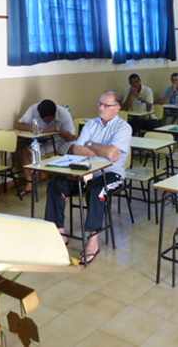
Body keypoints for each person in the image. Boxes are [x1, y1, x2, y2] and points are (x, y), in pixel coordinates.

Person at [44, 91, 132, 265]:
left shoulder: (123, 128)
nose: (101, 108)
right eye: (100, 104)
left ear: (117, 108)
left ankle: (93, 240)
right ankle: (59, 232)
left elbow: (112, 154)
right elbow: (76, 149)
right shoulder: (91, 124)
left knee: (96, 190)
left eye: (106, 105)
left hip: (112, 174)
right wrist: (100, 150)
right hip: (85, 172)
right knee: (55, 184)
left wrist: (90, 144)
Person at [16, 99, 76, 192]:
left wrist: (58, 130)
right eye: (43, 119)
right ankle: (29, 182)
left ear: (54, 114)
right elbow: (18, 125)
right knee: (23, 151)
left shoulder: (64, 114)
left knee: (73, 148)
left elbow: (71, 138)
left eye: (48, 120)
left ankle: (49, 175)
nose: (46, 122)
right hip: (41, 141)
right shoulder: (34, 109)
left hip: (59, 142)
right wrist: (34, 128)